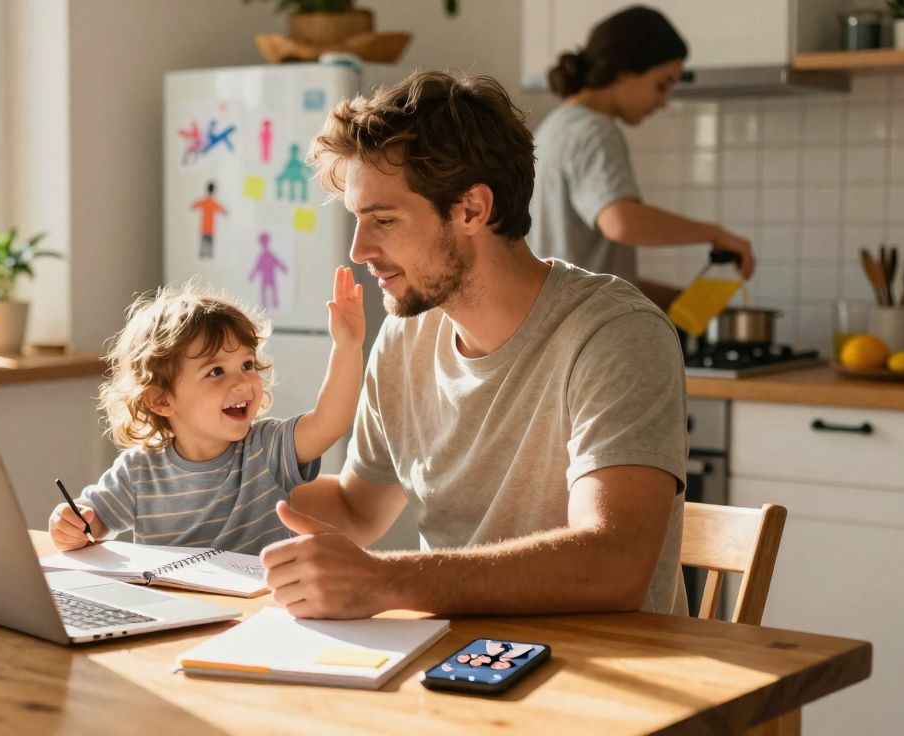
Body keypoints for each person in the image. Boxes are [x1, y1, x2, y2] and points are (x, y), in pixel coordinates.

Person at [258, 70, 689, 619]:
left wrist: (385, 581)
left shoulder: (615, 335)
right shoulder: (405, 336)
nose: (359, 250)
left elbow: (614, 564)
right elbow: (355, 508)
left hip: (606, 679)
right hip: (455, 662)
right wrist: (204, 475)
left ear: (472, 210)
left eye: (383, 220)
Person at [47, 268, 365, 555]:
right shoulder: (138, 471)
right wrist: (71, 525)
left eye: (247, 364)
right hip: (176, 612)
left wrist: (347, 348)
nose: (242, 382)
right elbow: (92, 520)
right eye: (216, 372)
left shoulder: (267, 448)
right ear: (161, 400)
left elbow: (329, 423)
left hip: (258, 607)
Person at [528, 5, 754, 309]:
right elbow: (621, 222)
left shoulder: (556, 126)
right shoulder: (594, 130)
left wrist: (673, 301)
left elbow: (578, 265)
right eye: (661, 85)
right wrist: (716, 235)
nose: (663, 103)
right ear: (624, 71)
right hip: (582, 332)